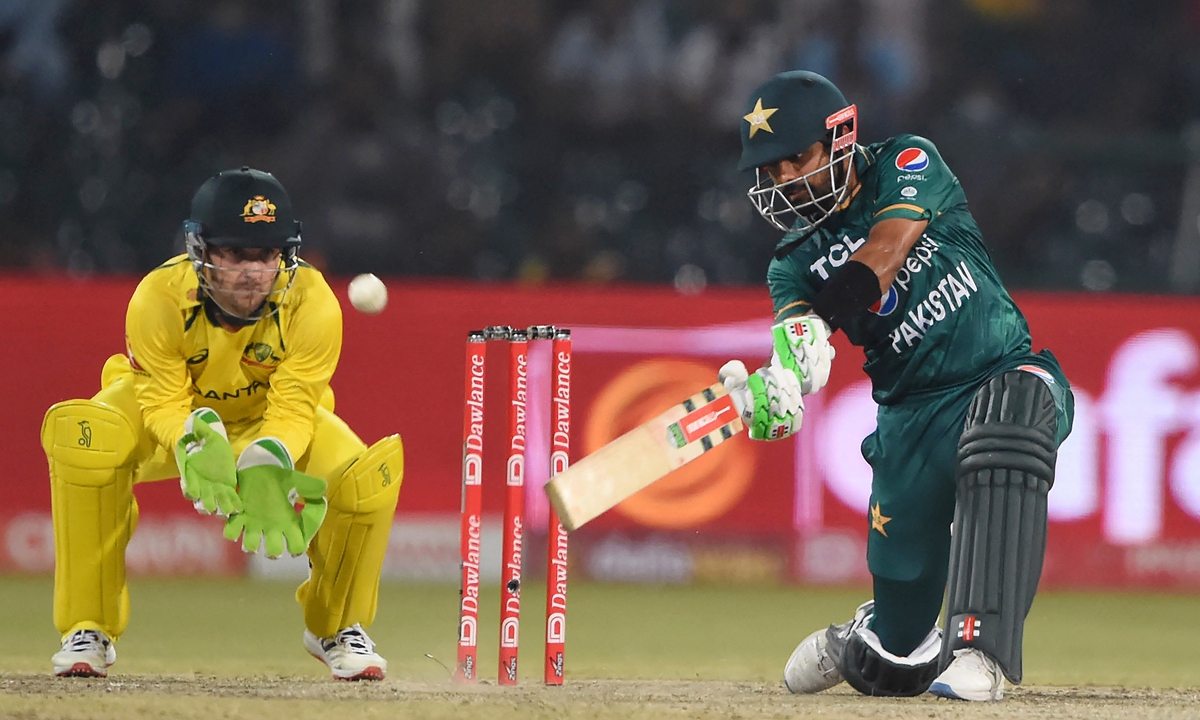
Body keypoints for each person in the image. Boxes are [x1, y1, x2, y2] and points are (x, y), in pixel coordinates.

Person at [718, 71, 1074, 701]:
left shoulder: (907, 161)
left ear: (840, 138)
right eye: (770, 169)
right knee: (895, 652)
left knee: (1008, 425)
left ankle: (981, 651)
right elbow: (799, 343)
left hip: (1002, 370)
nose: (784, 179)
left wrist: (821, 322)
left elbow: (883, 254)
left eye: (795, 158)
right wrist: (779, 386)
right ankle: (864, 635)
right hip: (909, 424)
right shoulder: (791, 265)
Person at [42, 167, 404, 681]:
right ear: (201, 250)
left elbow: (296, 407)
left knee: (362, 479)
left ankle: (337, 627)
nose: (252, 272)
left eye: (266, 254)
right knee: (89, 441)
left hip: (267, 421)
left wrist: (270, 453)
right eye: (235, 253)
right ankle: (87, 628)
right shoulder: (158, 298)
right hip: (174, 419)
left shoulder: (313, 302)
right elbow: (161, 400)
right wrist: (191, 441)